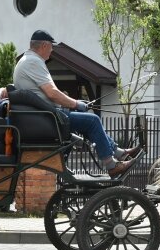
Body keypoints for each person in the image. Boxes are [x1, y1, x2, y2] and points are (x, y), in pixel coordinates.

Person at [13, 29, 141, 178]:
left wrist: (75, 104)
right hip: (48, 118)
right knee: (93, 120)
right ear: (43, 45)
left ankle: (119, 153)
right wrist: (75, 104)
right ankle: (111, 165)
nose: (52, 50)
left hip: (43, 117)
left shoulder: (27, 60)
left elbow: (49, 93)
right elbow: (52, 93)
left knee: (87, 120)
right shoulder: (33, 61)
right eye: (51, 47)